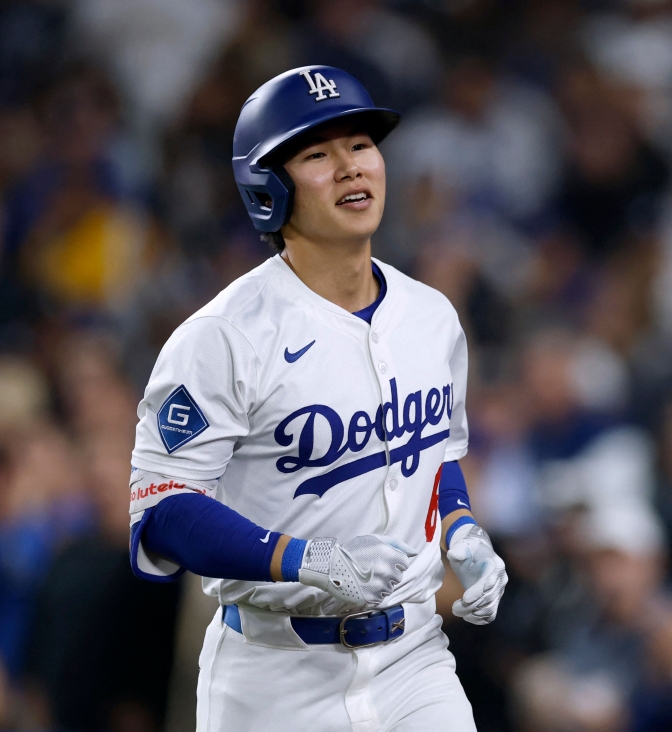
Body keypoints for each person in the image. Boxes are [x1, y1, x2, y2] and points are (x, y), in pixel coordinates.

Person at [127, 66, 507, 732]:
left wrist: (461, 530)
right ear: (268, 189)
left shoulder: (432, 317)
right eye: (317, 155)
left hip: (414, 659)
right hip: (273, 674)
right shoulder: (223, 336)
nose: (350, 166)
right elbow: (162, 512)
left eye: (360, 145)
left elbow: (436, 455)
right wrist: (305, 558)